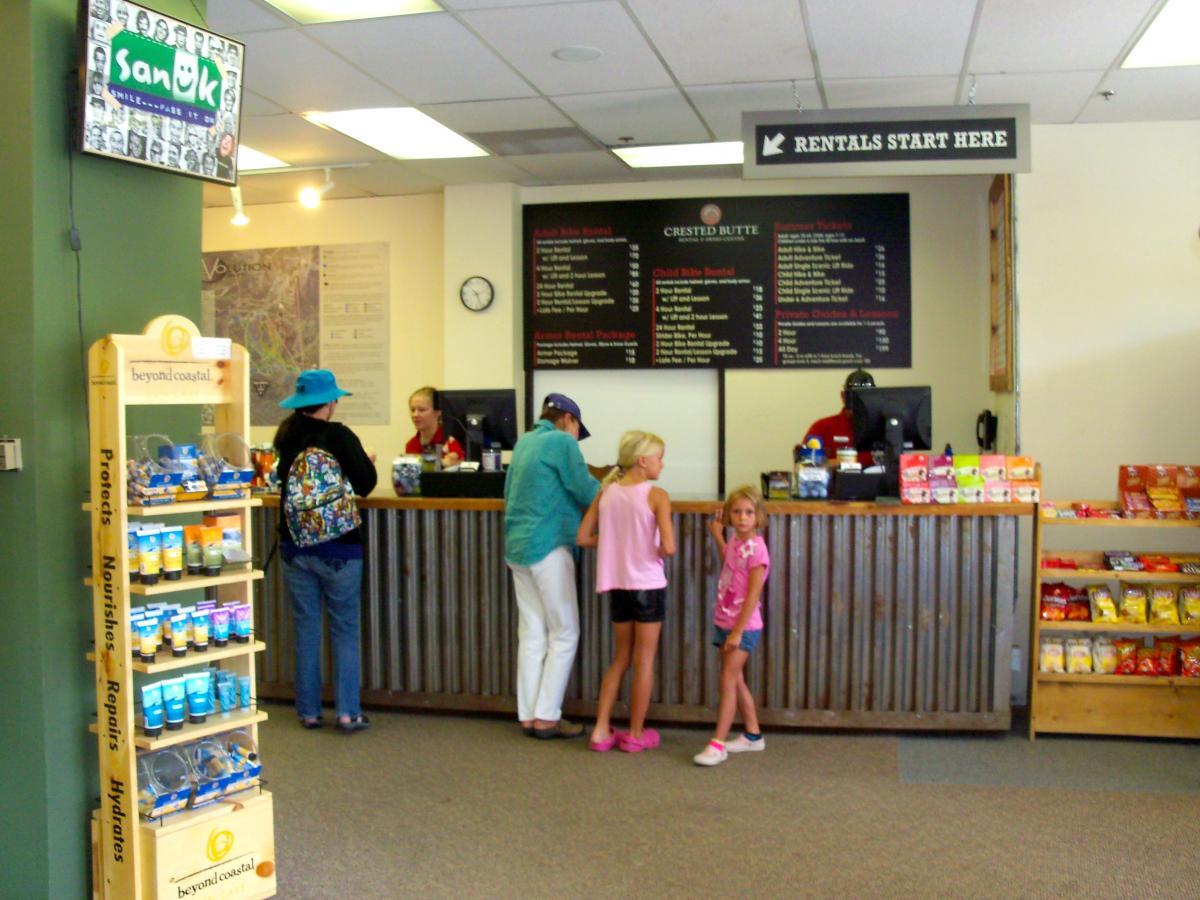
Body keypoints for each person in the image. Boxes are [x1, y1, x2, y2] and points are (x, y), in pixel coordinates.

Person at [274, 369, 377, 734]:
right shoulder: (340, 435)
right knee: (344, 630)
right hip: (340, 549)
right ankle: (348, 713)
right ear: (330, 402)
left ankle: (309, 712)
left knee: (306, 629)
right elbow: (366, 484)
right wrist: (366, 460)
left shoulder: (285, 436)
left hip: (295, 547)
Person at [504, 393, 599, 740]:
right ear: (569, 420)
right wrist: (615, 489)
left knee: (531, 632)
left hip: (517, 547)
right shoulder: (561, 442)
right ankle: (547, 716)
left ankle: (528, 714)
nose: (577, 438)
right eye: (578, 429)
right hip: (548, 546)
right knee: (564, 631)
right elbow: (587, 490)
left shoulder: (525, 442)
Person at [576, 430, 674, 753]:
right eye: (660, 457)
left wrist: (617, 544)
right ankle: (634, 733)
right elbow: (669, 548)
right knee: (644, 660)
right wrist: (648, 548)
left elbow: (583, 537)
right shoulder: (657, 495)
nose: (663, 463)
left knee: (621, 658)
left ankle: (601, 730)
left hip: (618, 587)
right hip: (648, 586)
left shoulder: (606, 492)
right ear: (643, 461)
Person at [694, 485, 770, 766]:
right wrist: (717, 535)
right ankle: (753, 735)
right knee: (735, 679)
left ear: (759, 516)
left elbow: (752, 595)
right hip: (725, 620)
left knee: (727, 681)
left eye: (749, 512)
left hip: (743, 626)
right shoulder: (737, 544)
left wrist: (738, 631)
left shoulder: (758, 551)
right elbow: (730, 560)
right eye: (736, 512)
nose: (742, 517)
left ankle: (717, 744)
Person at [797, 368, 876, 466]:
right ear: (843, 396)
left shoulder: (883, 428)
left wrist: (837, 462)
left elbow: (892, 462)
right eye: (854, 397)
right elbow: (806, 465)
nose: (859, 403)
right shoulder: (822, 427)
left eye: (864, 397)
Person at [405, 386, 464, 468]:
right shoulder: (411, 445)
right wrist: (441, 463)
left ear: (438, 412)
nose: (415, 415)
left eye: (422, 410)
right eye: (412, 410)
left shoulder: (450, 442)